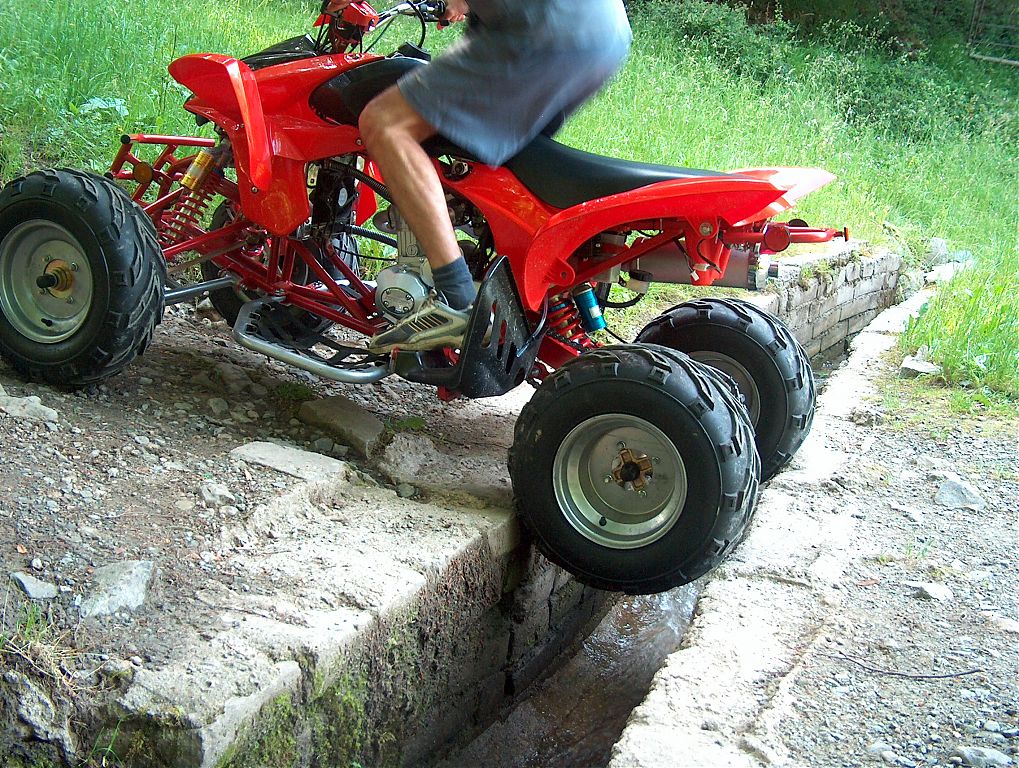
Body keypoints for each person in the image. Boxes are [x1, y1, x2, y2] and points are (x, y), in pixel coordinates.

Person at [331, 0, 633, 353]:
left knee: (386, 123)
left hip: (544, 29)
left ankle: (457, 300)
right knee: (495, 163)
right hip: (603, 33)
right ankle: (523, 301)